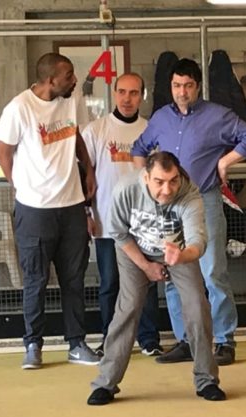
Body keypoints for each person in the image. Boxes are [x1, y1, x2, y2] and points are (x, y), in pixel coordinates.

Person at [132, 58, 246, 367]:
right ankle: (186, 340)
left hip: (204, 200)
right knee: (174, 275)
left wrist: (225, 161)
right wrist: (147, 185)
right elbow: (139, 149)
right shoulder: (161, 118)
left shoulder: (218, 116)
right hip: (169, 206)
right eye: (176, 85)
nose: (182, 92)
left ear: (198, 86)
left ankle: (224, 341)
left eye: (188, 86)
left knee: (213, 271)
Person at [87, 151, 225, 406]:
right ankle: (105, 383)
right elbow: (118, 232)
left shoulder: (189, 194)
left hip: (178, 251)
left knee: (197, 305)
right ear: (146, 177)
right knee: (128, 307)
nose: (167, 190)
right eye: (159, 182)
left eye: (173, 181)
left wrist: (181, 256)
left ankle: (206, 380)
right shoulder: (126, 189)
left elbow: (198, 241)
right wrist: (146, 266)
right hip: (134, 250)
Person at [0, 52, 100, 370]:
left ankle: (76, 344)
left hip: (71, 207)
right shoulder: (19, 108)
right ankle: (33, 345)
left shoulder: (71, 99)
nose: (75, 80)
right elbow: (4, 154)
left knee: (74, 279)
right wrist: (21, 187)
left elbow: (76, 135)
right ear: (50, 79)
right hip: (35, 211)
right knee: (36, 280)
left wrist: (89, 170)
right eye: (69, 75)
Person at [81, 73, 163, 358]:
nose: (127, 99)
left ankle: (148, 338)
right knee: (110, 284)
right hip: (107, 221)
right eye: (123, 92)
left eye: (134, 93)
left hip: (144, 222)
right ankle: (111, 338)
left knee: (147, 280)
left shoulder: (152, 130)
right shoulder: (96, 130)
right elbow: (84, 175)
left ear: (142, 96)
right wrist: (86, 212)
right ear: (114, 93)